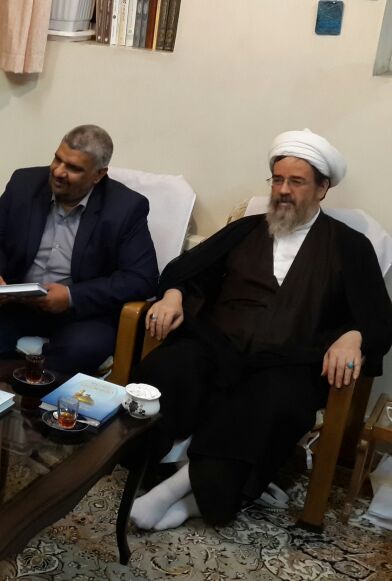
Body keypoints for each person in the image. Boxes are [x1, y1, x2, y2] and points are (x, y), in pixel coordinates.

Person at [129, 129, 392, 531]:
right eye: (278, 180)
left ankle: (173, 495)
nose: (283, 190)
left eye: (296, 181)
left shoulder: (350, 246)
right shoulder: (245, 230)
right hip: (217, 344)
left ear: (322, 188)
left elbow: (377, 317)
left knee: (271, 402)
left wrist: (354, 335)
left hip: (290, 362)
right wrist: (173, 296)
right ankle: (168, 479)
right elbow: (188, 271)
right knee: (167, 369)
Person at [0, 124, 158, 373]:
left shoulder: (125, 208)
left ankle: (35, 395)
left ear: (98, 175)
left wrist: (70, 296)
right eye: (57, 159)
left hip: (81, 314)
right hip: (17, 302)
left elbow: (142, 278)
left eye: (73, 168)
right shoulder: (24, 184)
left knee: (82, 348)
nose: (58, 171)